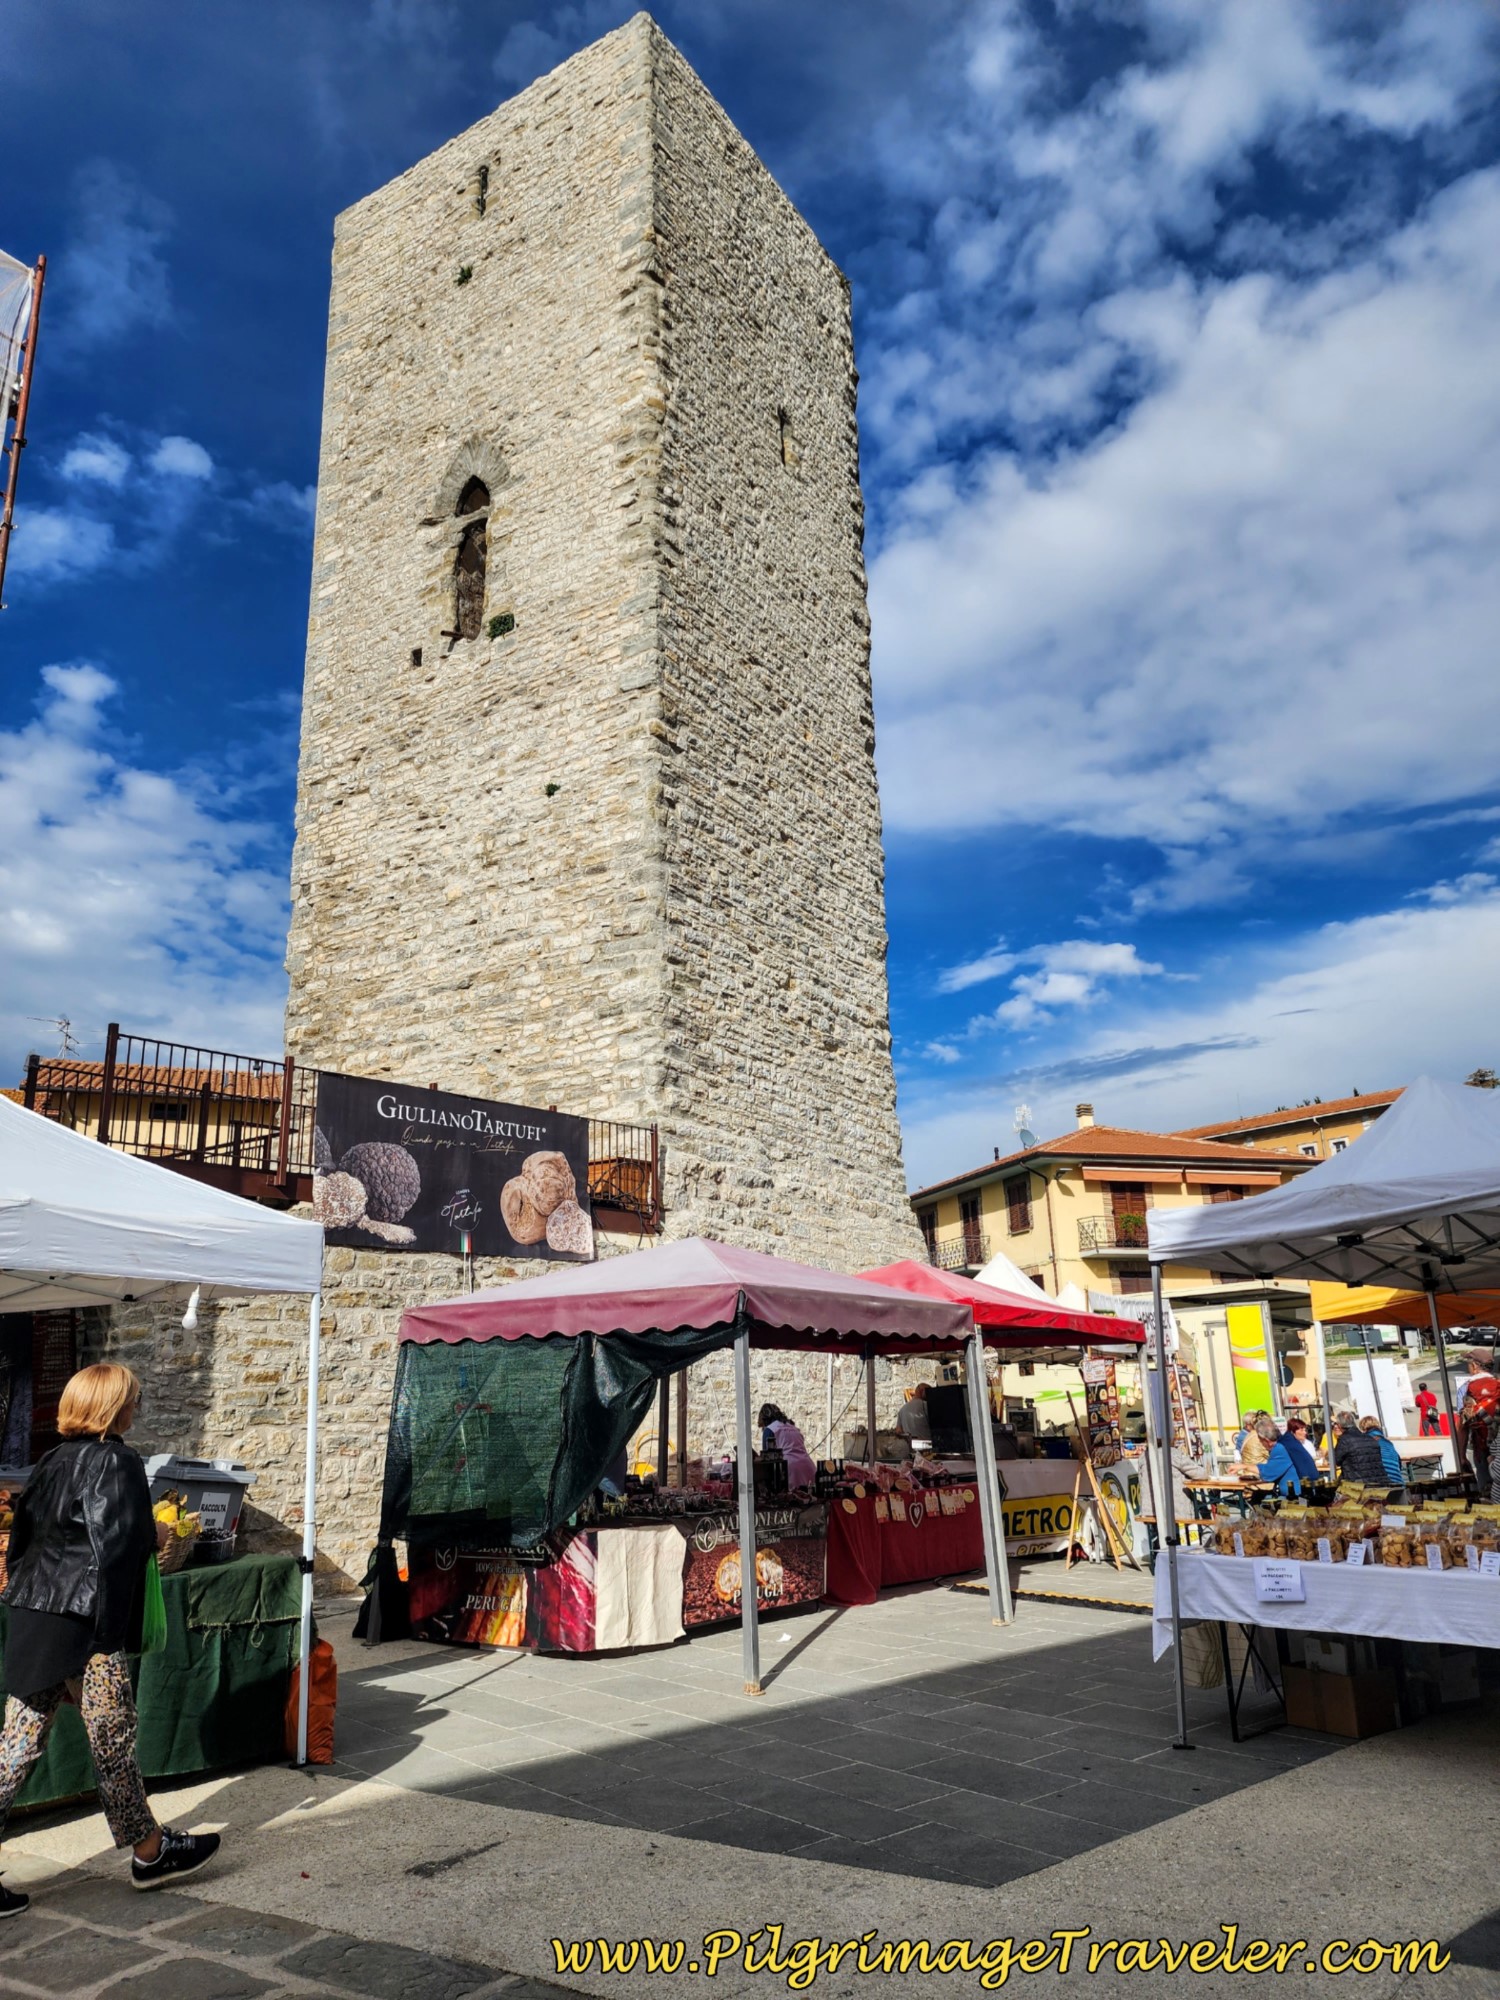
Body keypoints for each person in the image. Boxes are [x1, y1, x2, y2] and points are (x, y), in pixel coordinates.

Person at [0, 1365, 221, 1917]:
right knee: (112, 1743)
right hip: (87, 1625)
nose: (137, 1409)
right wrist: (157, 1534)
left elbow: (23, 1544)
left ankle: (150, 1848)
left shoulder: (49, 1461)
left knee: (16, 1747)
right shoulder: (117, 1460)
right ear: (112, 1407)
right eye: (132, 1400)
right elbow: (115, 1550)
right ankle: (150, 1853)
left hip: (36, 1615)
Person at [757, 1404, 815, 1490]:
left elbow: (767, 1459)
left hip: (790, 1469)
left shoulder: (770, 1429)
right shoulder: (793, 1427)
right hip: (808, 1465)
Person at [1258, 1418, 1319, 1497]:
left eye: (1260, 1440)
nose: (1260, 1443)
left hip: (1296, 1496)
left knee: (1261, 1499)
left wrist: (1245, 1466)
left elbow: (1267, 1474)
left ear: (1266, 1440)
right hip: (1307, 1489)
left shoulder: (1281, 1447)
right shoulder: (1289, 1441)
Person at [1332, 1408, 1387, 1486]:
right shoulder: (1369, 1438)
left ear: (1340, 1425)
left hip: (1357, 1485)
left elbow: (1336, 1460)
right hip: (1379, 1483)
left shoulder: (1344, 1440)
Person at [1357, 1415, 1406, 1496]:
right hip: (1399, 1483)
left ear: (1364, 1429)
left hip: (1383, 1485)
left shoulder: (1368, 1442)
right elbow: (1399, 1464)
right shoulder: (1389, 1443)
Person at [895, 1383, 934, 1454]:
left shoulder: (902, 1409)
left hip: (910, 1450)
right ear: (922, 1391)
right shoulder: (927, 1406)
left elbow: (898, 1431)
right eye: (928, 1392)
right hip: (927, 1450)